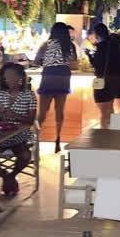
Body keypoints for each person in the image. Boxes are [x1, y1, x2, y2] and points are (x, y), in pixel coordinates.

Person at [0, 63, 37, 196]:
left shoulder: (29, 95)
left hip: (20, 135)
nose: (8, 79)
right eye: (5, 77)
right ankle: (6, 176)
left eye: (11, 76)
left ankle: (11, 176)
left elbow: (30, 120)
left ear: (20, 77)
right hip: (1, 134)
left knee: (25, 155)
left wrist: (12, 115)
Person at [35, 22, 77, 153]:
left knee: (42, 111)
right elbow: (74, 61)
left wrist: (46, 62)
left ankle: (36, 139)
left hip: (49, 77)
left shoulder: (46, 45)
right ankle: (58, 138)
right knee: (60, 110)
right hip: (63, 78)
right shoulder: (69, 45)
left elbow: (36, 61)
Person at [88, 24, 120, 128]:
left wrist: (89, 56)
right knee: (110, 107)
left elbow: (97, 64)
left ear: (97, 34)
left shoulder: (101, 46)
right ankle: (111, 131)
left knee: (103, 110)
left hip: (102, 80)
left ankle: (104, 133)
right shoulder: (115, 45)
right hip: (115, 79)